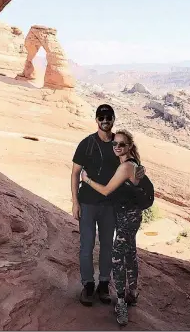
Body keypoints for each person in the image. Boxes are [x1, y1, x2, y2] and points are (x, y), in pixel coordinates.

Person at [70, 105, 144, 307]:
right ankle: (87, 285)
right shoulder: (86, 143)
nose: (105, 120)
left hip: (109, 204)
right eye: (101, 117)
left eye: (108, 117)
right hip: (87, 202)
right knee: (86, 246)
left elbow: (131, 163)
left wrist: (140, 173)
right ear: (96, 119)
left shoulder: (117, 144)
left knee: (107, 246)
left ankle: (103, 284)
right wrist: (75, 202)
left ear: (113, 119)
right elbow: (75, 173)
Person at [81, 129, 143, 326]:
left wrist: (87, 180)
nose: (117, 147)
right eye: (114, 144)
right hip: (132, 216)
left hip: (126, 217)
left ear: (129, 146)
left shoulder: (126, 167)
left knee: (117, 258)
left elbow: (107, 191)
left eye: (121, 144)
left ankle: (122, 302)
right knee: (130, 252)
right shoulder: (131, 163)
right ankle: (133, 292)